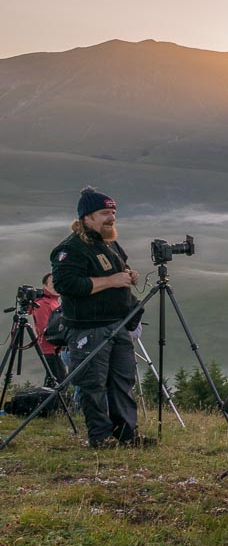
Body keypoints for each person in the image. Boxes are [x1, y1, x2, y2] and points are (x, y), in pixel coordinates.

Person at [50, 187, 147, 448]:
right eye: (105, 212)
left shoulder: (109, 243)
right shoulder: (70, 249)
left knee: (122, 381)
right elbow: (66, 284)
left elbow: (119, 270)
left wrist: (128, 275)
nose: (111, 217)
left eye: (113, 212)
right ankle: (100, 437)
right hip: (89, 329)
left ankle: (127, 434)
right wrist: (111, 281)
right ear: (86, 217)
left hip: (119, 324)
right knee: (93, 385)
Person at [30, 272, 66, 386]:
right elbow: (45, 329)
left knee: (56, 378)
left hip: (56, 348)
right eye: (52, 283)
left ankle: (49, 402)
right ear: (45, 286)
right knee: (57, 380)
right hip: (50, 349)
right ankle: (49, 403)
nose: (56, 285)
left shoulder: (53, 301)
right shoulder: (43, 303)